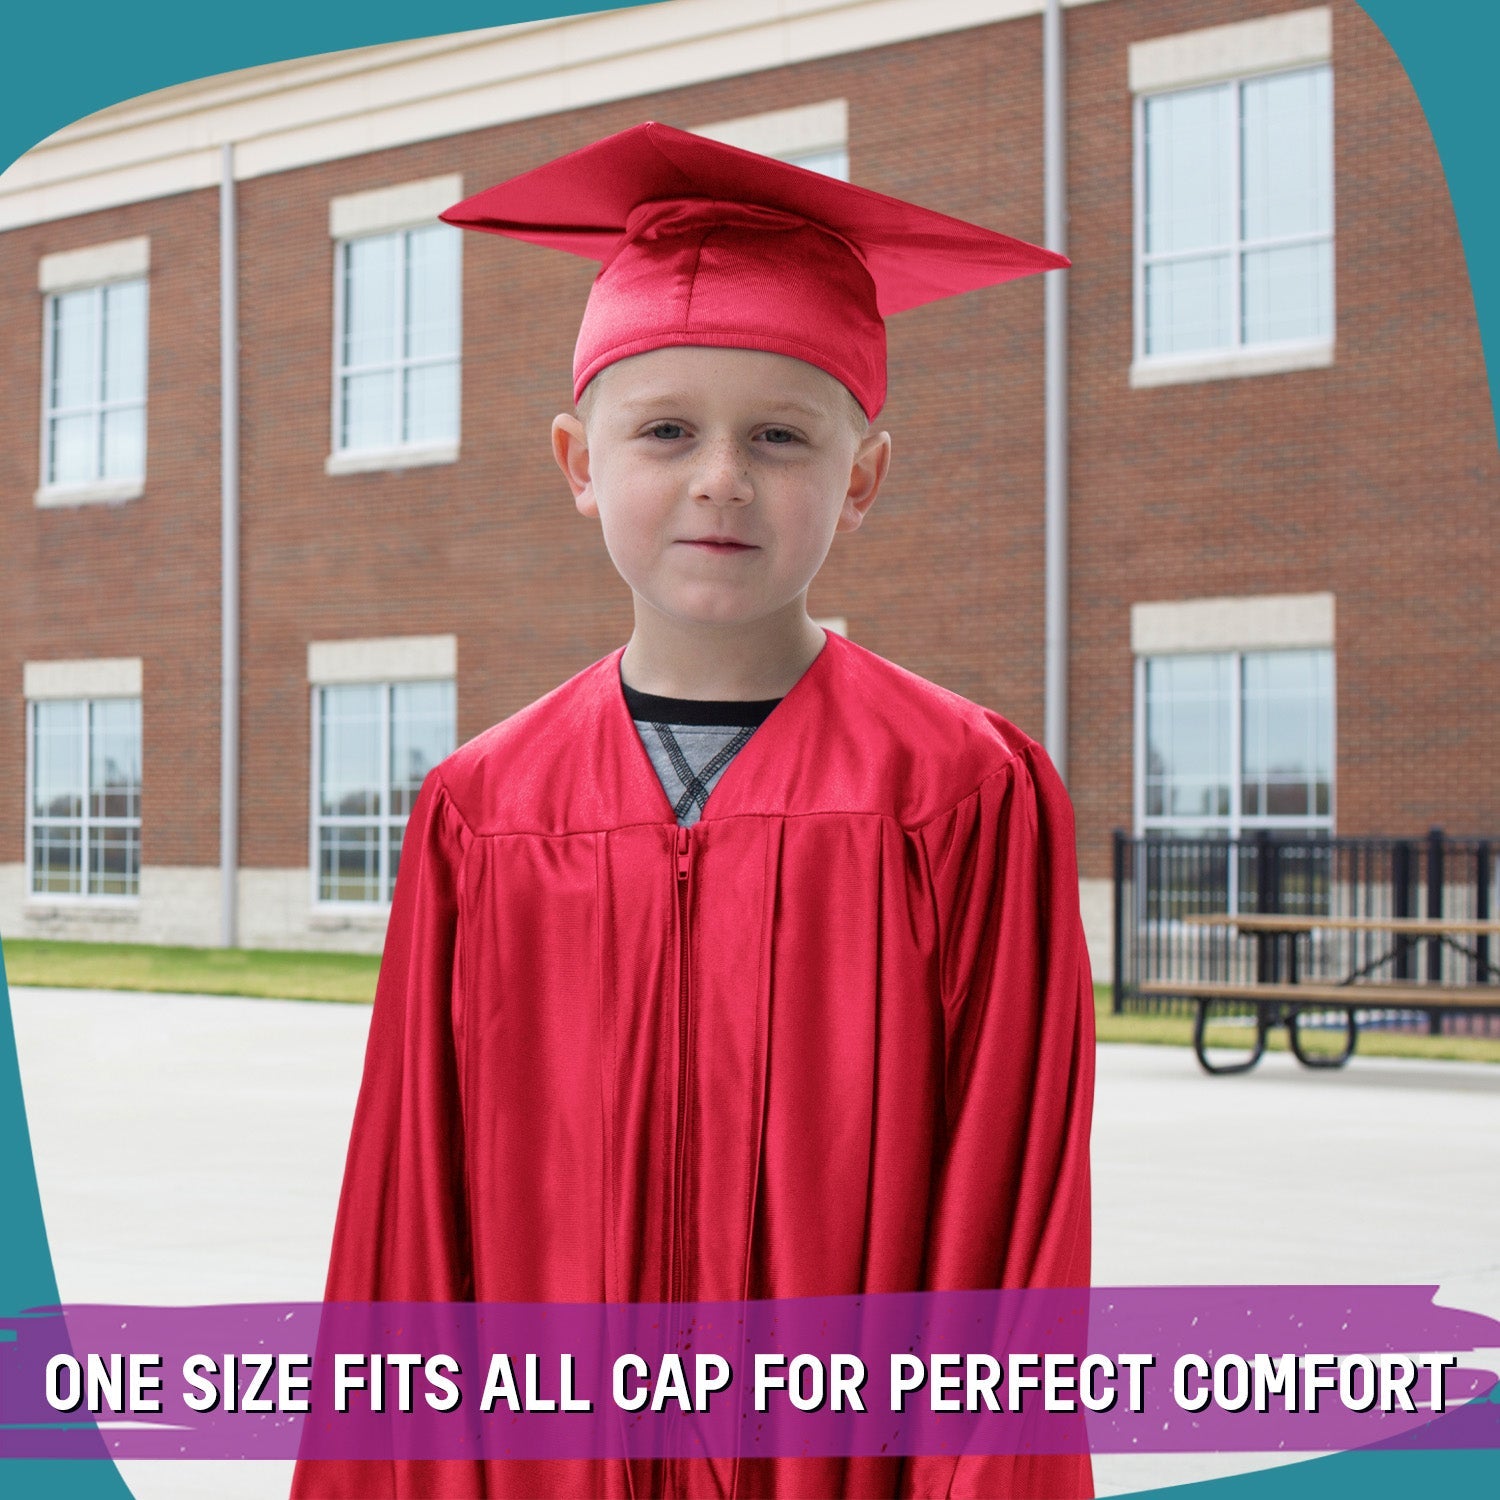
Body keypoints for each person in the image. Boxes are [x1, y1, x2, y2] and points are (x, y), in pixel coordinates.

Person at [292, 121, 1094, 1499]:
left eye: (780, 435)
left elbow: (1012, 1239)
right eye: (666, 429)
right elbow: (411, 1230)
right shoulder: (482, 813)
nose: (722, 475)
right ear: (578, 461)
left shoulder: (963, 794)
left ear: (860, 478)